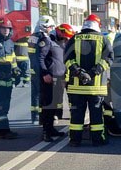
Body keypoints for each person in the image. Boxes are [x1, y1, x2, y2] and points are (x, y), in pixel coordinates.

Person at [64, 14, 113, 147]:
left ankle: (75, 140)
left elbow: (68, 59)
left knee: (76, 117)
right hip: (96, 88)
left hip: (76, 87)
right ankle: (98, 140)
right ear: (98, 25)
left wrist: (79, 73)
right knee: (96, 115)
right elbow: (108, 60)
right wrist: (92, 73)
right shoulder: (103, 39)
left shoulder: (75, 38)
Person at [40, 23, 74, 141]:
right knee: (48, 105)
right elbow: (40, 58)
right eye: (65, 36)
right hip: (49, 78)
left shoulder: (63, 43)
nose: (66, 39)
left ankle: (51, 129)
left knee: (55, 105)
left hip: (60, 78)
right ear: (60, 32)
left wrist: (65, 77)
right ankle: (46, 131)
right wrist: (45, 73)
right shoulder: (47, 41)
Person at [28, 15, 55, 124]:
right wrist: (45, 71)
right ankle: (41, 118)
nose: (52, 29)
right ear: (45, 26)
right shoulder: (43, 38)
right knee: (42, 95)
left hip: (33, 69)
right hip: (40, 71)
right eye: (50, 27)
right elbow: (40, 57)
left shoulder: (32, 36)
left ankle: (34, 116)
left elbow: (32, 55)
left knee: (34, 93)